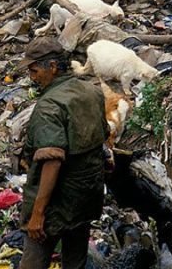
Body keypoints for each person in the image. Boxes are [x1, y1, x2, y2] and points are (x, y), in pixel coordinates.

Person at [17, 37, 109, 269]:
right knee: (75, 261)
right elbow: (102, 136)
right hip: (86, 197)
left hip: (56, 203)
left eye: (34, 70)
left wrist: (38, 213)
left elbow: (53, 161)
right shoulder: (92, 92)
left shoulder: (49, 106)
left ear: (53, 67)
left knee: (34, 260)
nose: (32, 77)